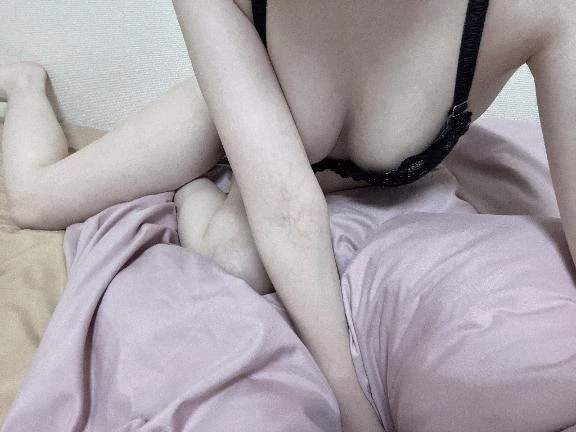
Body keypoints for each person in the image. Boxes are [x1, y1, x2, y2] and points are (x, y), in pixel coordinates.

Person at [1, 0, 575, 430]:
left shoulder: (537, 11)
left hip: (292, 142)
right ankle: (30, 87)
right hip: (233, 105)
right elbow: (285, 207)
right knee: (38, 200)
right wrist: (353, 406)